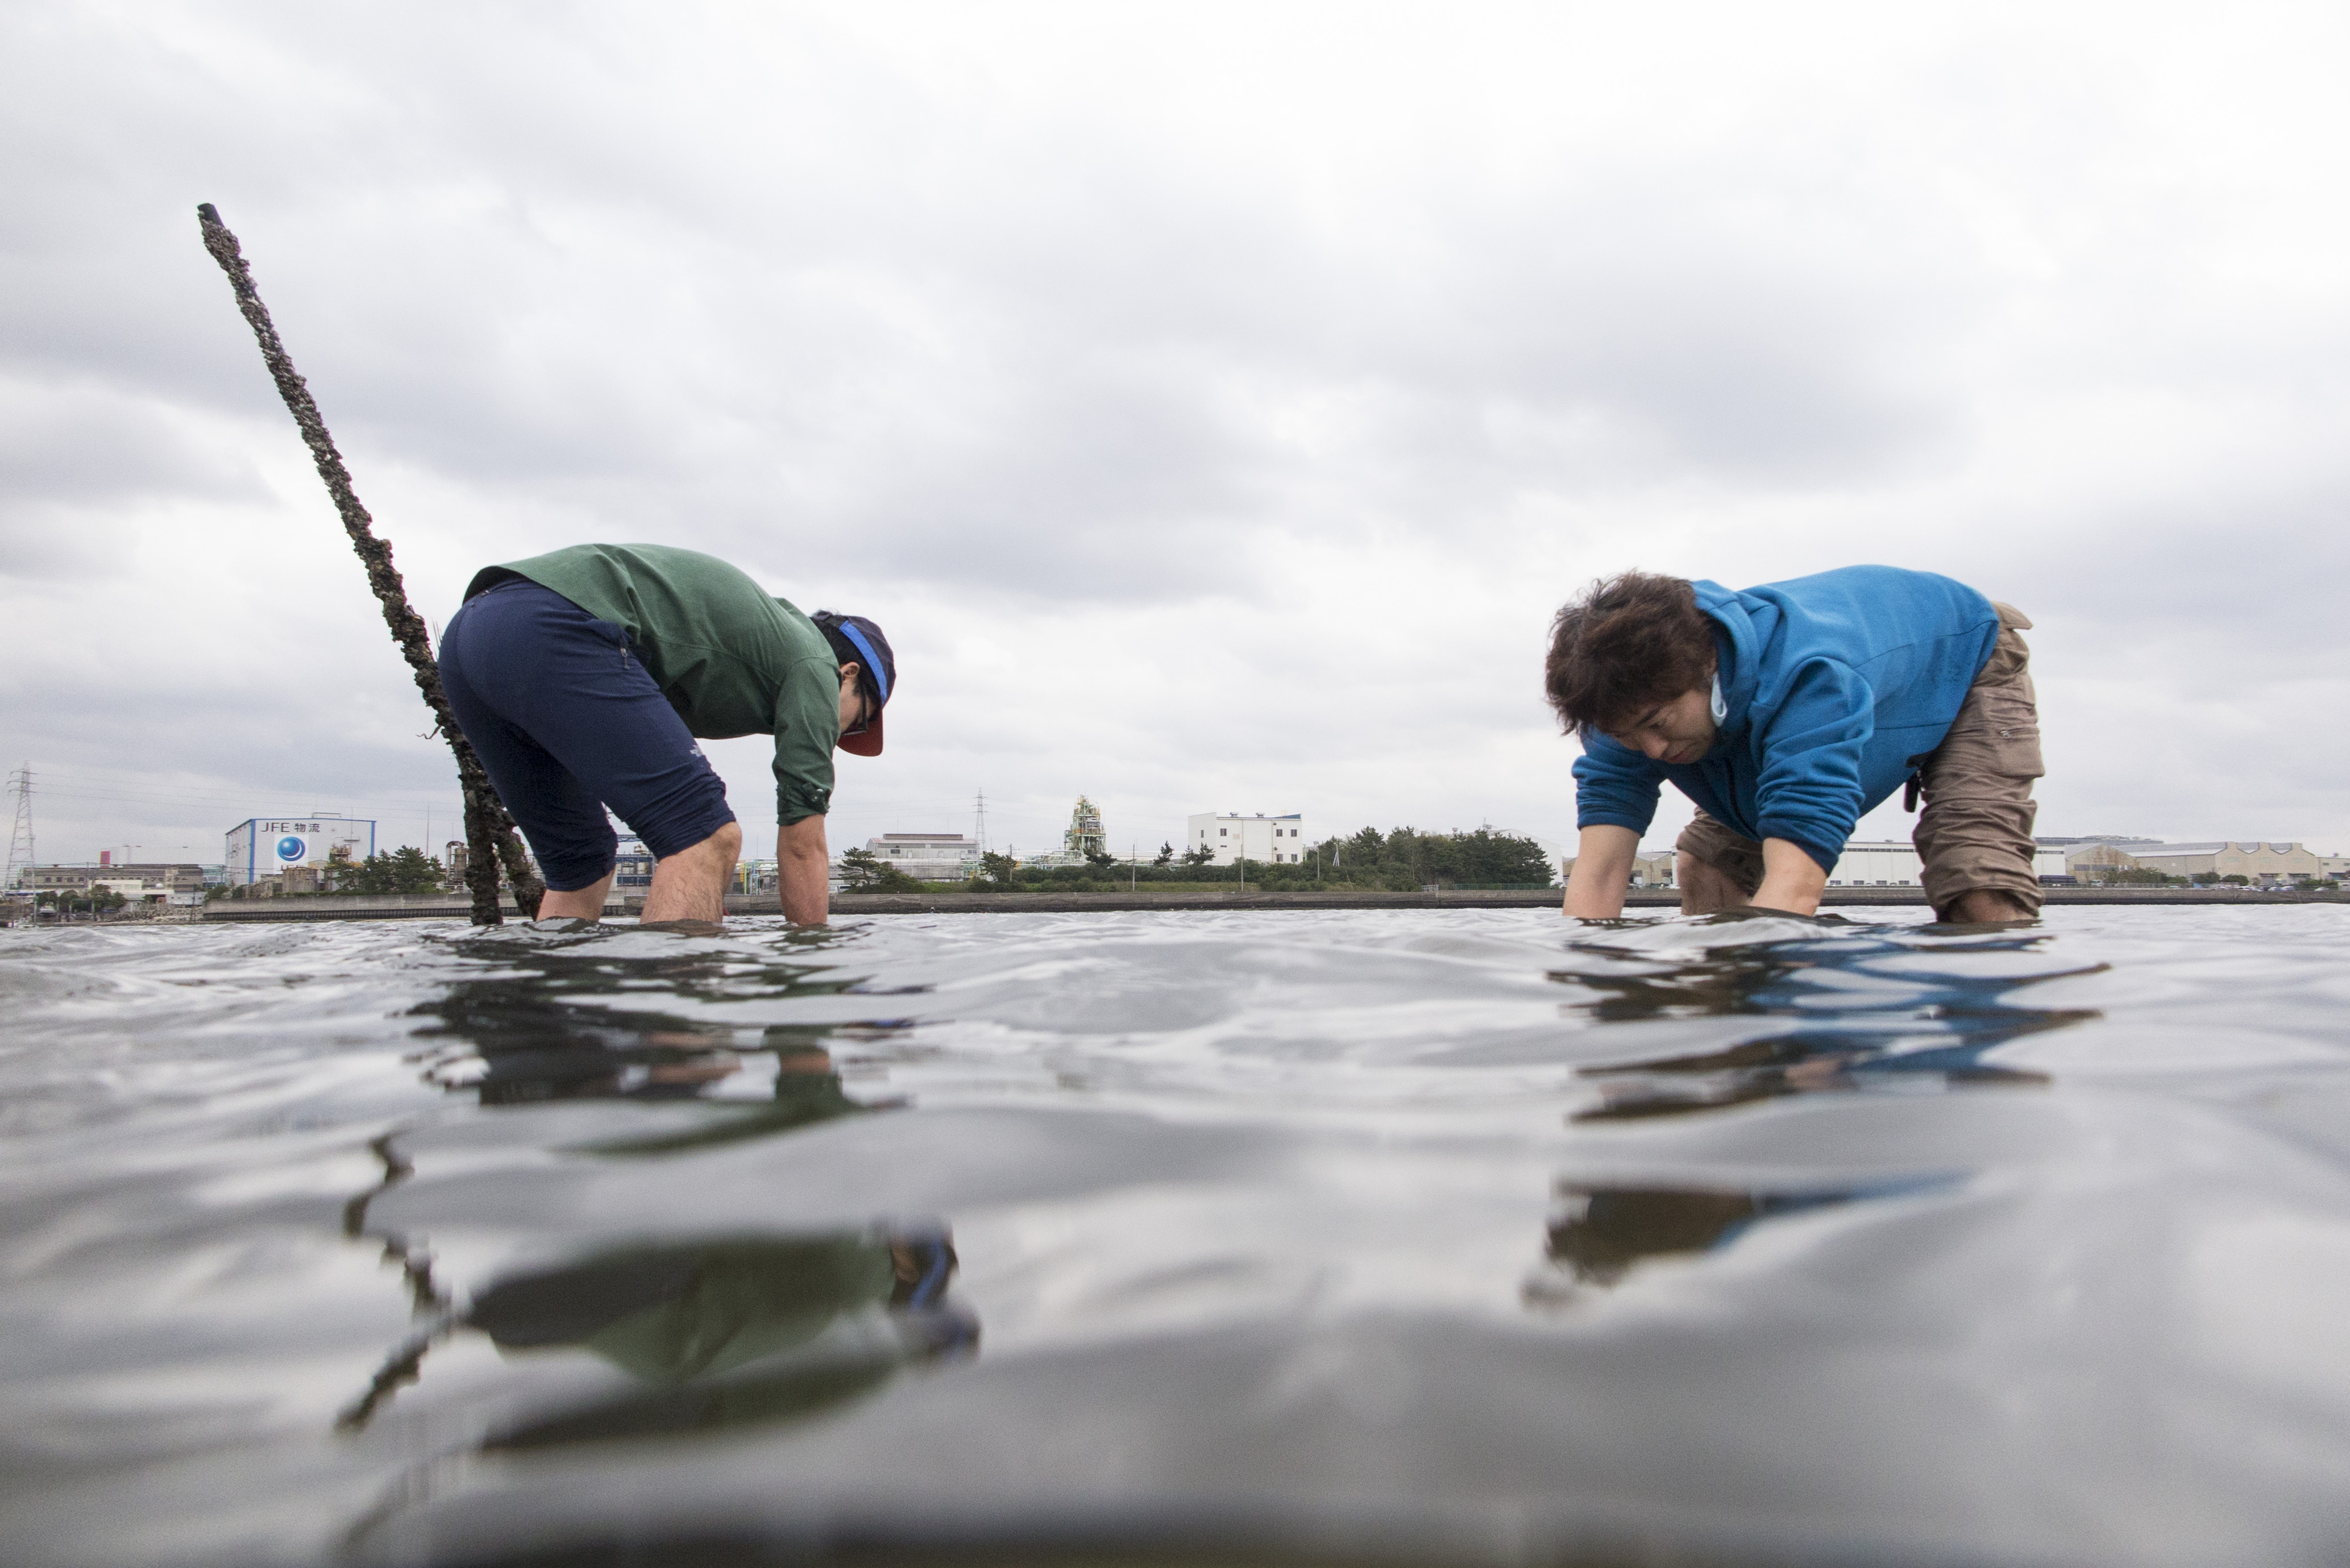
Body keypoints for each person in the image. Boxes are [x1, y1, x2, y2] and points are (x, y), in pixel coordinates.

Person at [1546, 565, 2041, 924]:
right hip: (1776, 719)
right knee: (1710, 866)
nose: (1650, 749)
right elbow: (1599, 876)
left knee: (1979, 888)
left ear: (1708, 672)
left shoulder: (1811, 682)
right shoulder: (1617, 708)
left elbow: (1797, 888)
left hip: (1964, 658)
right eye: (1626, 736)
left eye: (1658, 724)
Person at [436, 543, 894, 925]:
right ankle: (669, 1025)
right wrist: (813, 978)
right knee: (705, 838)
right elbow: (802, 845)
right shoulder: (817, 664)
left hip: (473, 635)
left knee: (581, 863)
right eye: (859, 719)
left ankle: (551, 1032)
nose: (841, 737)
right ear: (848, 673)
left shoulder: (761, 646)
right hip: (555, 624)